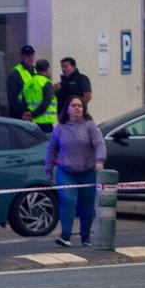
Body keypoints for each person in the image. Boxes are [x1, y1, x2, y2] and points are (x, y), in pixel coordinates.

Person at [45, 95, 106, 248]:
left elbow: (99, 144)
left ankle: (85, 237)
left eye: (79, 105)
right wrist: (48, 169)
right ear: (68, 109)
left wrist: (99, 161)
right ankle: (65, 236)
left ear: (83, 109)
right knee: (68, 200)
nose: (77, 108)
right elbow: (52, 149)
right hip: (66, 172)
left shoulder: (90, 126)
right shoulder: (60, 128)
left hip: (88, 172)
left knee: (87, 206)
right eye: (73, 105)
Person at [55, 58, 93, 124]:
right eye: (62, 67)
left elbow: (87, 96)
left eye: (66, 66)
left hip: (76, 115)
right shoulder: (62, 82)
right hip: (63, 115)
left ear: (73, 67)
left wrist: (78, 109)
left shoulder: (81, 79)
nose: (63, 69)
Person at [7, 46, 38, 122]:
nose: (30, 57)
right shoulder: (15, 73)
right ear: (22, 56)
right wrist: (23, 112)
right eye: (27, 55)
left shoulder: (36, 71)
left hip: (34, 114)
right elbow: (13, 98)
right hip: (20, 115)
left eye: (32, 54)